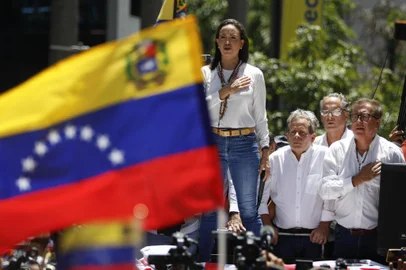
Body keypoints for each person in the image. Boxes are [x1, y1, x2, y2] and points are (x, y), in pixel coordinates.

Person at [198, 19, 270, 261]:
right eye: (223, 37)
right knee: (209, 210)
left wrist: (265, 149)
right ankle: (202, 263)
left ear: (241, 44)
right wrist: (225, 91)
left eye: (233, 37)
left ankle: (259, 262)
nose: (227, 41)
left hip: (244, 141)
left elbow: (261, 116)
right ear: (217, 43)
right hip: (213, 142)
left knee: (249, 211)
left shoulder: (254, 74)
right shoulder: (206, 73)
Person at [319, 98, 406, 262]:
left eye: (364, 116)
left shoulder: (392, 153)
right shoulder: (337, 150)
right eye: (355, 117)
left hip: (377, 237)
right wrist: (357, 179)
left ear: (377, 123)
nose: (358, 121)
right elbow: (325, 190)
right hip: (343, 235)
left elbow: (399, 201)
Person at [260, 109, 334, 259]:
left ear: (313, 137)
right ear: (286, 135)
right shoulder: (275, 159)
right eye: (292, 132)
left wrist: (324, 226)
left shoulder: (326, 156)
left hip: (315, 236)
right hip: (281, 237)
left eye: (302, 133)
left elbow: (330, 196)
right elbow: (261, 198)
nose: (296, 136)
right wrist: (267, 224)